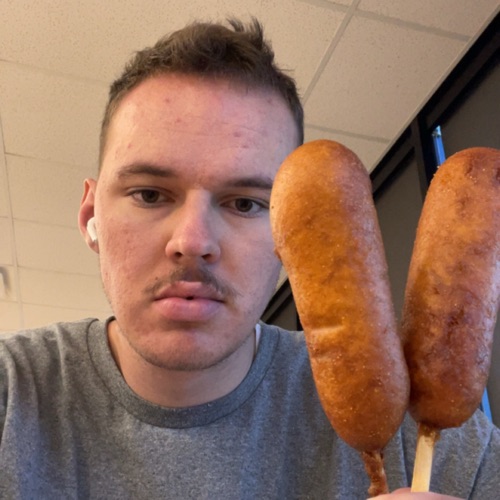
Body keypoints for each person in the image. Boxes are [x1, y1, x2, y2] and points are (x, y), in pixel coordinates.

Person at [0, 18, 498, 500]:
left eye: (245, 203)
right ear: (91, 215)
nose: (193, 240)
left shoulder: (418, 434)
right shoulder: (11, 398)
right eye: (149, 194)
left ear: (288, 237)